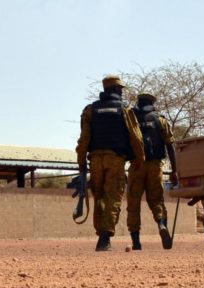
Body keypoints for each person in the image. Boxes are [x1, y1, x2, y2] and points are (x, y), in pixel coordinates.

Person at [76, 75, 145, 251]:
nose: (122, 92)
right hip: (116, 159)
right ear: (114, 90)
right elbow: (136, 138)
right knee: (113, 197)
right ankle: (105, 237)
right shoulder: (125, 109)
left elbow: (83, 139)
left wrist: (81, 162)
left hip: (95, 160)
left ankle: (101, 235)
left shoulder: (90, 110)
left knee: (99, 198)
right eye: (120, 89)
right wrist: (140, 159)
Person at [126, 93, 178, 250]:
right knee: (156, 200)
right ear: (152, 103)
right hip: (155, 166)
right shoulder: (160, 120)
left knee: (133, 204)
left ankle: (136, 242)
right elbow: (170, 145)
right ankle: (162, 224)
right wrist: (175, 170)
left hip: (136, 166)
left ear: (139, 103)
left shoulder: (131, 119)